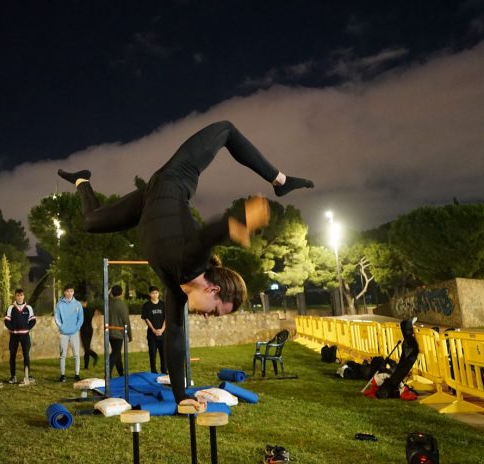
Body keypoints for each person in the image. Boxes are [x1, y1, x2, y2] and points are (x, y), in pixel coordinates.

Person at [57, 120, 313, 407]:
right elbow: (205, 236)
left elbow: (175, 343)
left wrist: (181, 398)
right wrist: (237, 222)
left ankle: (82, 180)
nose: (208, 317)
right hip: (176, 176)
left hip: (147, 201)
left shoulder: (178, 292)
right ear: (214, 290)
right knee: (226, 129)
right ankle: (281, 180)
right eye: (216, 312)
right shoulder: (194, 261)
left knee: (92, 222)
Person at [4, 288, 36, 384]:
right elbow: (6, 320)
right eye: (18, 295)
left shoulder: (28, 308)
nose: (19, 297)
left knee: (26, 355)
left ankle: (27, 375)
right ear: (15, 296)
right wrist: (12, 329)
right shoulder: (11, 308)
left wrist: (27, 328)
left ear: (24, 296)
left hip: (25, 336)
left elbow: (33, 320)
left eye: (21, 295)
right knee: (12, 355)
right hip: (14, 336)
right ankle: (13, 376)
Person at [54, 283, 84, 382]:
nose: (69, 293)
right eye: (67, 291)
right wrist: (61, 327)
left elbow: (81, 318)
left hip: (74, 333)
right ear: (64, 292)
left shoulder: (78, 304)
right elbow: (57, 317)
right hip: (63, 333)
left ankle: (77, 374)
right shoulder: (59, 304)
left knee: (76, 354)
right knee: (63, 355)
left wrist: (77, 327)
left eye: (71, 291)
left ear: (73, 292)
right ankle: (62, 375)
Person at [141, 285, 167, 374]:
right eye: (153, 293)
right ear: (150, 294)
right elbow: (146, 318)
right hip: (152, 335)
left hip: (163, 334)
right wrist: (154, 330)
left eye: (156, 293)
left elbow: (166, 318)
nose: (155, 295)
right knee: (152, 354)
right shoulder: (146, 305)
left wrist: (162, 329)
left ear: (158, 293)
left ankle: (164, 370)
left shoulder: (163, 304)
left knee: (163, 354)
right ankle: (153, 371)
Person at [107, 285, 132, 378]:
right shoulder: (122, 305)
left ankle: (121, 373)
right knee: (116, 353)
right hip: (119, 332)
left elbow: (108, 296)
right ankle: (107, 372)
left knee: (117, 352)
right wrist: (130, 335)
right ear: (121, 293)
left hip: (109, 332)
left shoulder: (109, 303)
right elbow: (126, 321)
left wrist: (110, 292)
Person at [79, 300, 99, 369]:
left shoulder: (81, 310)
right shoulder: (90, 310)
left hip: (84, 330)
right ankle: (86, 366)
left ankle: (95, 356)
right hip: (90, 329)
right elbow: (97, 311)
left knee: (86, 347)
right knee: (86, 347)